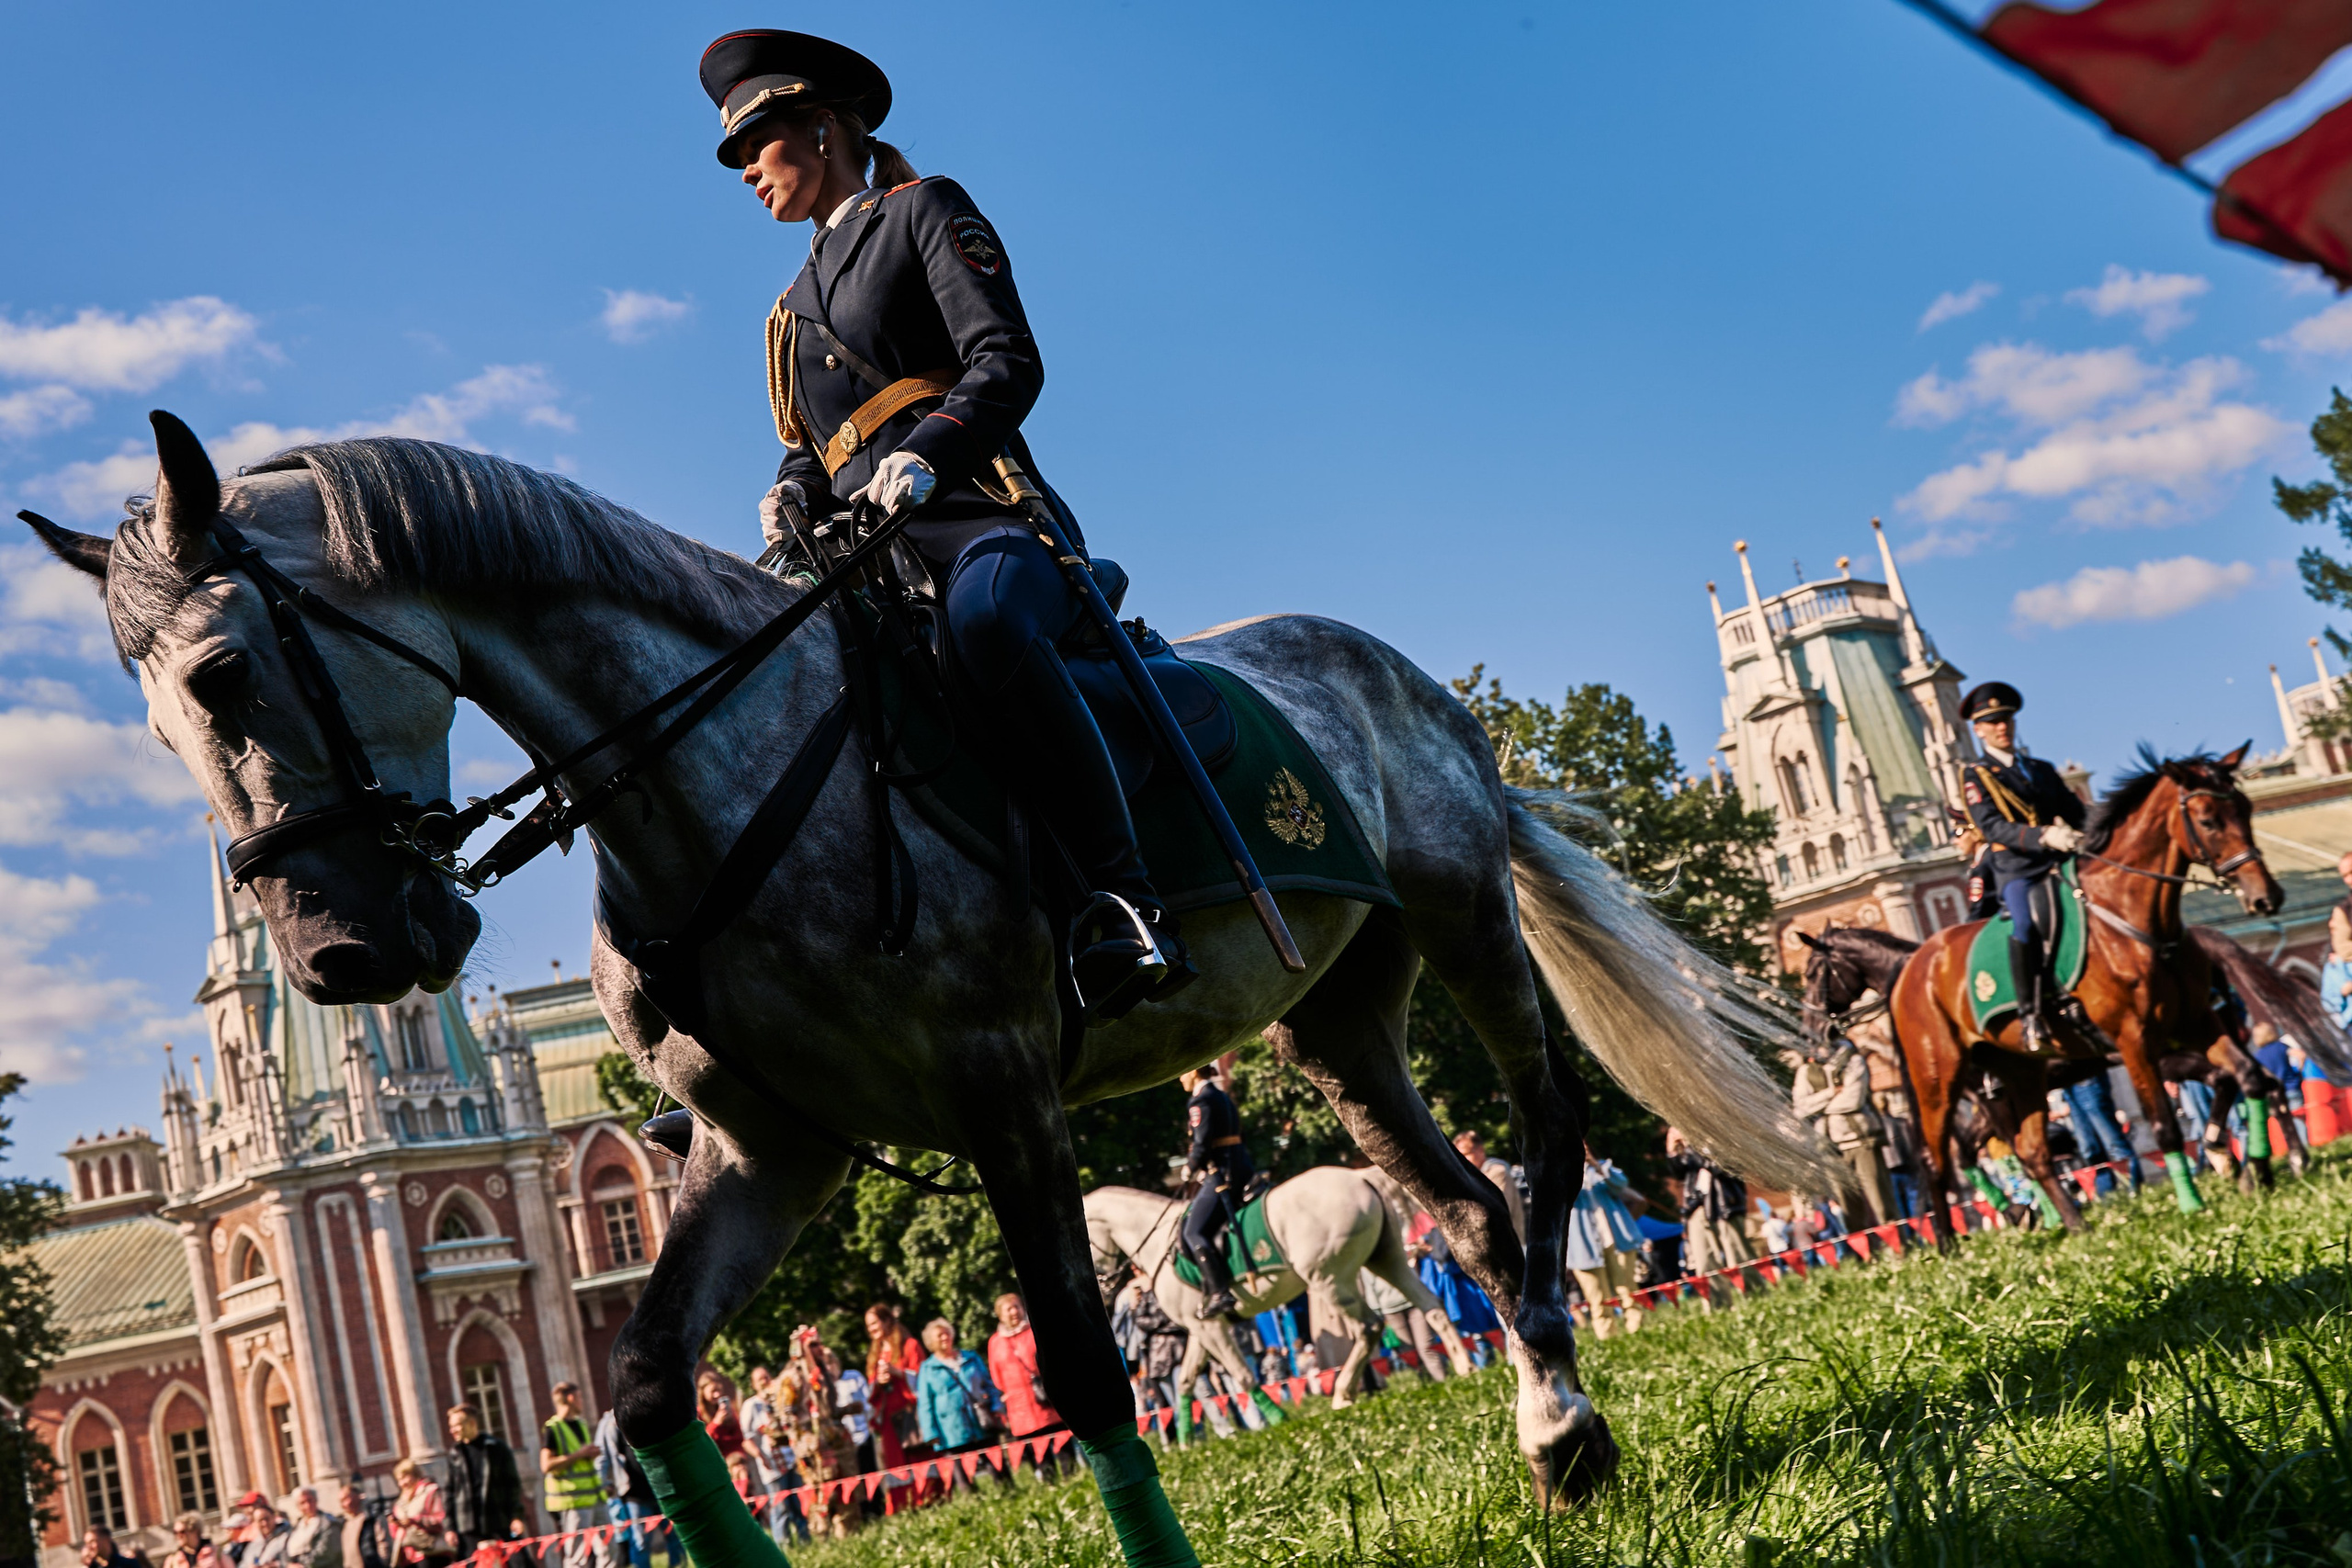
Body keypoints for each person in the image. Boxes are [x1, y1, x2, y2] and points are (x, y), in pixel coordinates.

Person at [702, 28, 1191, 1021]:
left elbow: (1006, 360)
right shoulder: (789, 308)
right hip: (864, 560)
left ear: (823, 126)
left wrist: (930, 452)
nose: (747, 171)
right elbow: (818, 441)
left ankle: (1123, 897)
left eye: (758, 144)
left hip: (981, 523)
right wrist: (791, 487)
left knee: (986, 627)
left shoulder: (923, 212)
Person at [1958, 682, 2089, 1052]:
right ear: (1978, 729)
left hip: (2060, 862)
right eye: (1993, 722)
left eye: (2007, 720)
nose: (2003, 727)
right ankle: (2032, 1015)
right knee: (2025, 924)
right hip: (2017, 869)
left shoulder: (2041, 769)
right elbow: (1992, 827)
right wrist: (2042, 837)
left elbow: (2077, 813)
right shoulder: (1977, 775)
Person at [1787, 1040, 1894, 1227]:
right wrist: (1831, 1093)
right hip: (1828, 1145)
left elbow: (1853, 1101)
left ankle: (1900, 1247)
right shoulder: (1806, 1071)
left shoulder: (1854, 1061)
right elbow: (1801, 1108)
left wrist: (1818, 1106)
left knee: (1881, 1201)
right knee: (1848, 1207)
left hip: (1861, 1139)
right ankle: (1866, 1254)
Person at [1179, 1061, 1254, 1319]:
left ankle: (1221, 1292)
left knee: (1192, 1231)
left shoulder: (1200, 1101)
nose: (1180, 1078)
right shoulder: (1221, 1095)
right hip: (1240, 1166)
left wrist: (1189, 1168)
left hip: (1223, 1174)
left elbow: (1202, 1142)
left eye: (1183, 1071)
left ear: (1195, 1070)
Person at [1665, 1125, 1755, 1308]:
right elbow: (1679, 1173)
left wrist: (1690, 1144)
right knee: (1705, 1262)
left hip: (1724, 1203)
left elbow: (1716, 1166)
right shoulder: (1687, 1146)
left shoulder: (1715, 1128)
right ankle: (1718, 1307)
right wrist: (1672, 1152)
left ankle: (1756, 1299)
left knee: (1738, 1257)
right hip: (1695, 1206)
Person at [1563, 1146, 1645, 1339]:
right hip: (1582, 1245)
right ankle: (1608, 1339)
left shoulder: (1601, 1169)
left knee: (1628, 1290)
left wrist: (1594, 1164)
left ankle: (1638, 1332)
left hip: (1618, 1239)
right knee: (1597, 1299)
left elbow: (1620, 1183)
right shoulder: (1556, 1174)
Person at [913, 1318, 1006, 1483]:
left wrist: (997, 1406)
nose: (944, 1338)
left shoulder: (971, 1357)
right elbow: (925, 1404)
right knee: (962, 1475)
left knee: (997, 1466)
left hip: (981, 1421)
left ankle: (1009, 1494)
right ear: (930, 1342)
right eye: (939, 1335)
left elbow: (989, 1385)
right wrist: (931, 1433)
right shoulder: (927, 1369)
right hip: (951, 1431)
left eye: (947, 1333)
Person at [440, 1404, 526, 1558]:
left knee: (518, 1562)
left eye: (456, 1426)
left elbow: (512, 1485)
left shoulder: (497, 1448)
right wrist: (449, 1528)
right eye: (451, 1426)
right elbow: (449, 1492)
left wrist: (516, 1516)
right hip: (468, 1526)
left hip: (500, 1521)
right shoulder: (454, 1454)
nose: (452, 1430)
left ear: (472, 1423)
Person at [540, 1382, 610, 1568]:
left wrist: (590, 1454)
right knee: (577, 1556)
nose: (582, 1401)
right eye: (579, 1397)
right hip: (573, 1502)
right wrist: (579, 1455)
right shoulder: (552, 1428)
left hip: (596, 1497)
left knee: (609, 1550)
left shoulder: (581, 1424)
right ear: (570, 1399)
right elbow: (546, 1465)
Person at [594, 1405, 673, 1568]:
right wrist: (604, 1484)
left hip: (659, 1488)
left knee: (674, 1535)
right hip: (633, 1494)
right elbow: (602, 1457)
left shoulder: (647, 1414)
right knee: (640, 1541)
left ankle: (680, 1565)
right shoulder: (610, 1423)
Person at [986, 1292, 1062, 1443]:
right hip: (1019, 1410)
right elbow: (997, 1378)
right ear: (1001, 1315)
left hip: (1047, 1401)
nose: (1014, 1312)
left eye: (1017, 1307)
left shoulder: (1035, 1331)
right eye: (1009, 1309)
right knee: (1039, 1458)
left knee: (1063, 1449)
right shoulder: (995, 1342)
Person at [1452, 1129, 1527, 1243]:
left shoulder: (1497, 1172)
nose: (1461, 1160)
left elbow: (1498, 1211)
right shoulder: (1471, 1176)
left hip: (1507, 1244)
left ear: (1480, 1150)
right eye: (1458, 1156)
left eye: (1465, 1154)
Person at [387, 1459, 449, 1568]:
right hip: (408, 1556)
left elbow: (440, 1520)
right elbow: (395, 1534)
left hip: (431, 1552)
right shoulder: (400, 1502)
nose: (402, 1483)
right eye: (399, 1480)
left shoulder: (430, 1492)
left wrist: (415, 1520)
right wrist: (395, 1524)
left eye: (405, 1477)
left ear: (415, 1475)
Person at [334, 1483, 393, 1568]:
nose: (342, 1505)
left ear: (357, 1496)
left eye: (345, 1499)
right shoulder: (345, 1522)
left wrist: (383, 1563)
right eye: (341, 1501)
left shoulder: (371, 1516)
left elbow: (383, 1543)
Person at [282, 1487, 342, 1568]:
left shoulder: (328, 1522)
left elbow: (326, 1552)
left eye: (310, 1500)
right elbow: (285, 1550)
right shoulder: (297, 1526)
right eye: (302, 1503)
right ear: (298, 1506)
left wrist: (302, 1565)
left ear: (316, 1501)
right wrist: (288, 1564)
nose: (307, 1505)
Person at [163, 1515, 227, 1568]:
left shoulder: (216, 1553)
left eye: (182, 1532)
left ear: (195, 1532)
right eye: (175, 1533)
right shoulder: (173, 1560)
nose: (178, 1536)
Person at [242, 1502, 291, 1568]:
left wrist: (277, 1565)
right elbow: (247, 1562)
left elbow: (292, 1561)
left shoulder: (286, 1537)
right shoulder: (252, 1546)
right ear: (255, 1523)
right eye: (260, 1520)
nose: (264, 1523)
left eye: (267, 1519)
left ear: (274, 1518)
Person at [83, 1525, 151, 1568]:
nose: (89, 1547)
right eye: (87, 1543)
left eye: (92, 1541)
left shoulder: (128, 1565)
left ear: (106, 1540)